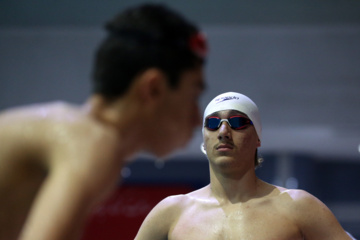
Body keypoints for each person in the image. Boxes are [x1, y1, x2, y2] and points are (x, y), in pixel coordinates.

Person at [0, 3, 207, 240]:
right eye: (194, 95)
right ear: (154, 89)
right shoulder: (93, 141)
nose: (197, 117)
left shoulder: (76, 132)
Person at [135, 92, 354, 240]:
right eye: (212, 123)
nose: (223, 132)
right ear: (204, 138)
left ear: (258, 138)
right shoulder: (172, 212)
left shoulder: (297, 207)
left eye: (237, 122)